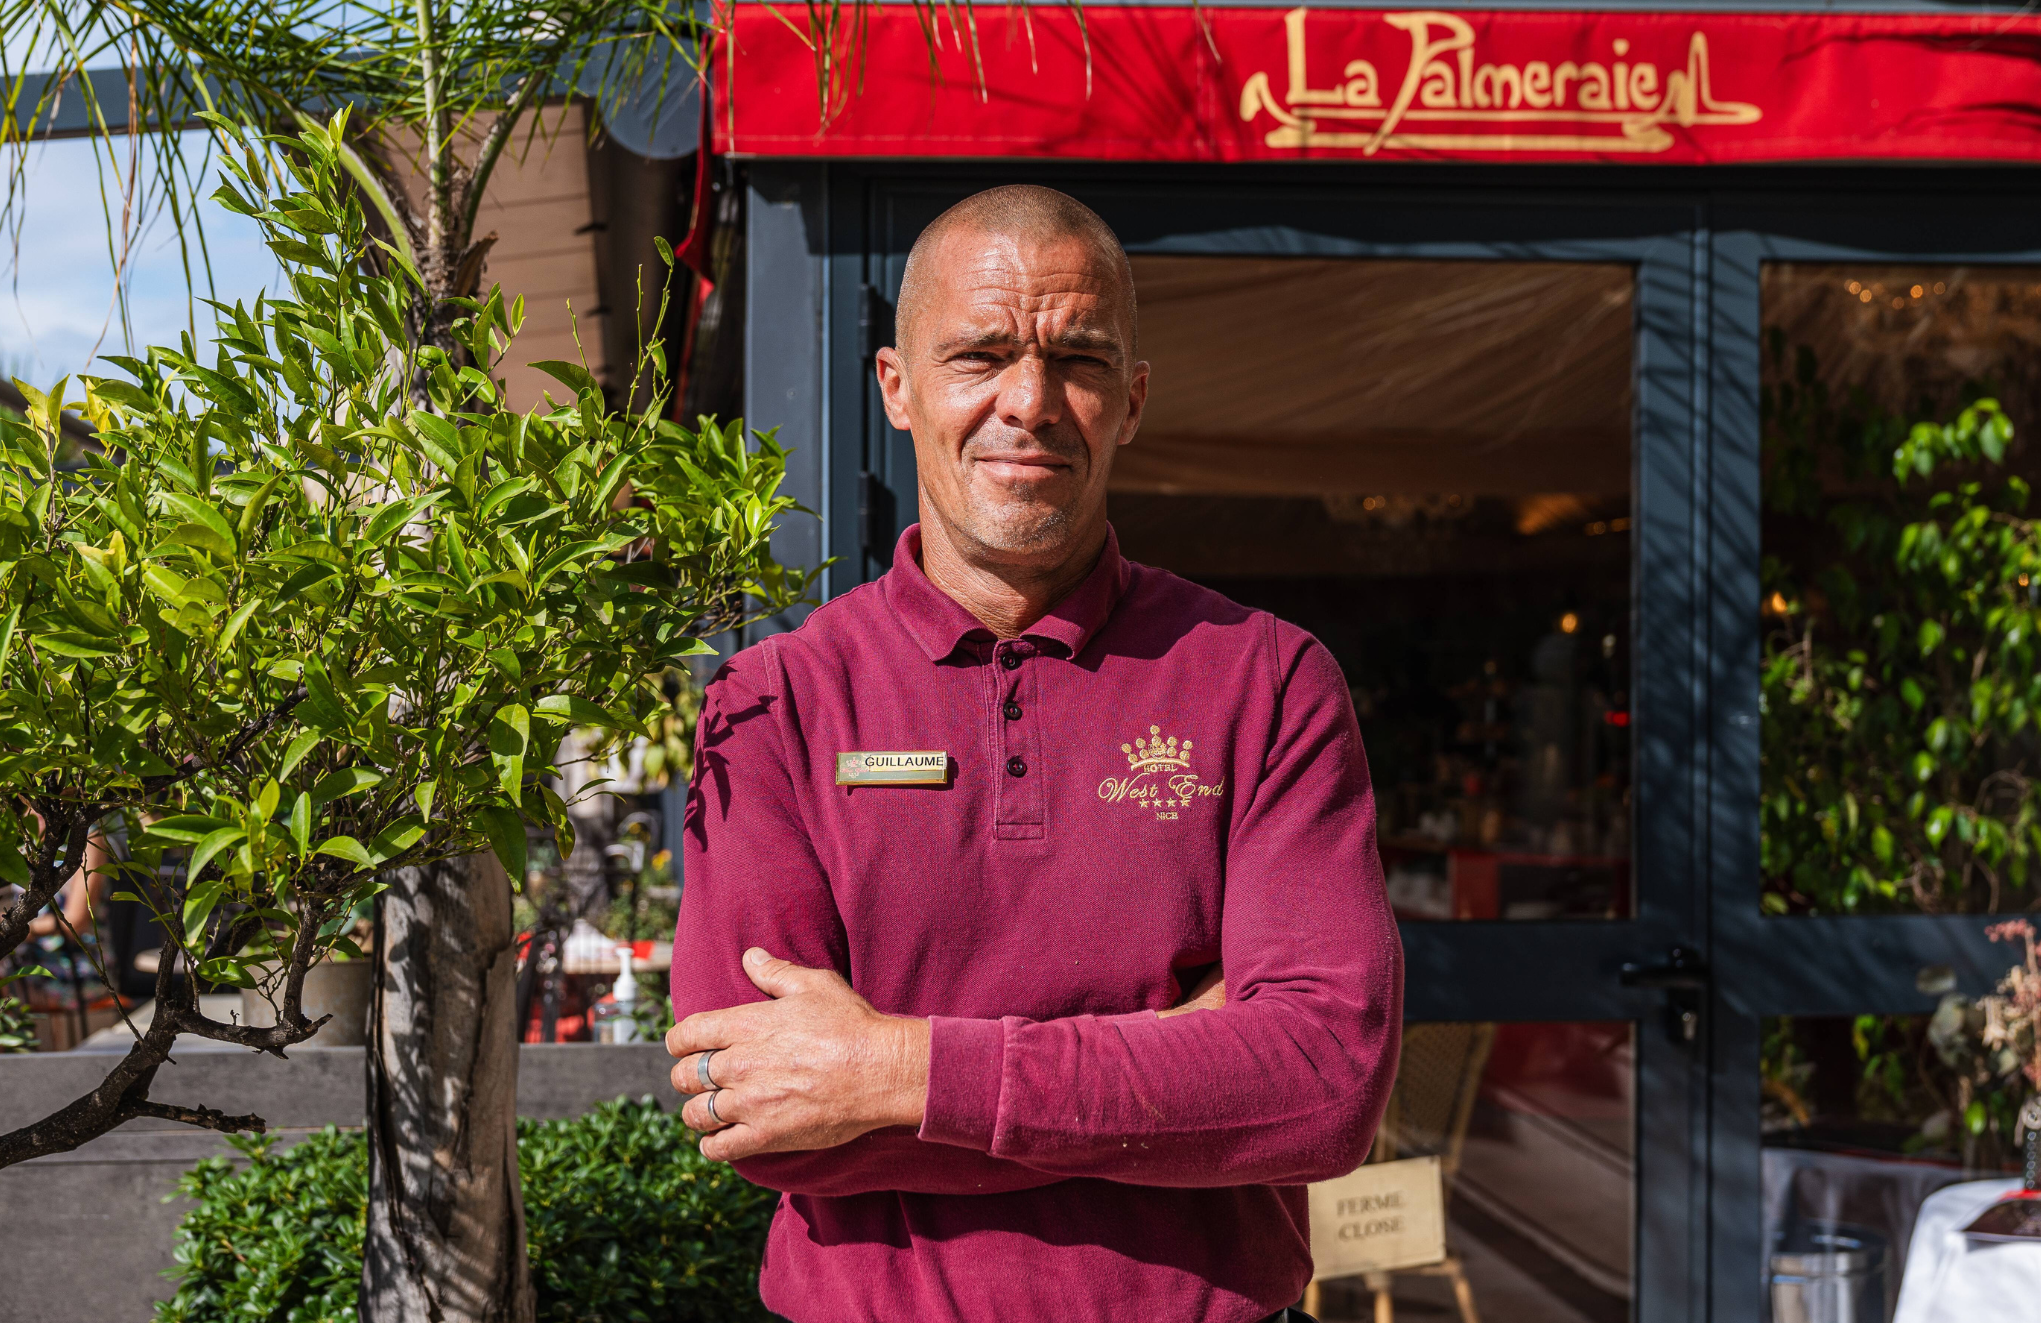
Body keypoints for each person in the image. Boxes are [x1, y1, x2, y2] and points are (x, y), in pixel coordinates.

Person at [666, 185, 1403, 1323]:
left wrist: (892, 1072)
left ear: (1132, 401)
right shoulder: (771, 704)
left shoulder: (1265, 680)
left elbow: (1322, 1092)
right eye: (981, 353)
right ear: (896, 390)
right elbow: (755, 1116)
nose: (1032, 401)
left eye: (1081, 360)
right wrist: (1178, 1064)